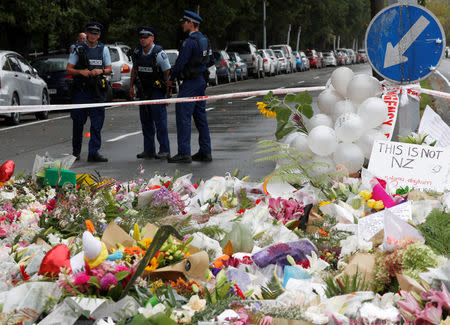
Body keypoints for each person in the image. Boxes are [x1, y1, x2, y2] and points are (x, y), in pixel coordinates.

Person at [167, 10, 214, 163]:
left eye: (184, 22)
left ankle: (184, 153)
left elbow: (180, 63)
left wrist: (171, 77)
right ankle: (205, 152)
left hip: (190, 83)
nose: (182, 25)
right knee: (201, 118)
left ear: (190, 23)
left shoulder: (189, 42)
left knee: (183, 117)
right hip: (201, 81)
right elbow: (211, 60)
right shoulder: (205, 40)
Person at [66, 22, 111, 162]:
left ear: (99, 35)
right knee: (78, 123)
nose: (93, 35)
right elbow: (68, 69)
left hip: (96, 92)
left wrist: (101, 71)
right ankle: (76, 151)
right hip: (81, 91)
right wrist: (82, 72)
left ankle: (93, 152)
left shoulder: (103, 49)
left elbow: (109, 69)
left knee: (97, 123)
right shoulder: (78, 49)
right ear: (86, 34)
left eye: (96, 33)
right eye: (91, 32)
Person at [129, 26, 171, 160]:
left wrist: (167, 94)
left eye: (146, 37)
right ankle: (149, 150)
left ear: (152, 38)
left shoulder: (159, 53)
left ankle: (164, 150)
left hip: (157, 91)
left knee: (160, 122)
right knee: (145, 121)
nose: (143, 40)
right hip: (143, 91)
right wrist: (131, 88)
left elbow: (167, 74)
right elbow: (134, 70)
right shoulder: (137, 52)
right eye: (141, 37)